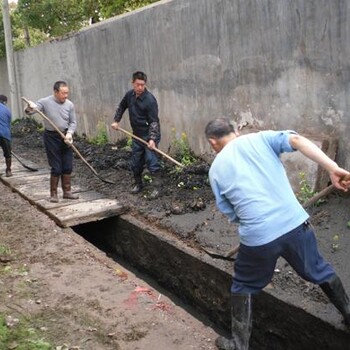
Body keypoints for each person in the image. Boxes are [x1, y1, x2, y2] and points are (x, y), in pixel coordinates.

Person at [205, 117, 350, 350]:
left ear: (213, 142)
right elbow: (297, 140)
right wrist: (333, 168)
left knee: (243, 285)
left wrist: (254, 224)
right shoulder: (261, 138)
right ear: (234, 131)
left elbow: (229, 211)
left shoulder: (215, 171)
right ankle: (349, 313)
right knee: (318, 269)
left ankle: (239, 344)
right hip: (295, 225)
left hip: (258, 238)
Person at [25, 81, 79, 203]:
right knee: (56, 167)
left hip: (65, 136)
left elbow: (73, 122)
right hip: (51, 137)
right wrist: (29, 107)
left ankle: (67, 192)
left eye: (67, 93)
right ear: (55, 92)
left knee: (67, 165)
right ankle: (53, 194)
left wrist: (70, 133)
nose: (66, 96)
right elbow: (31, 111)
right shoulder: (45, 102)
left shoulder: (69, 105)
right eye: (63, 93)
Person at [111, 71, 162, 199]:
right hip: (136, 135)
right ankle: (138, 184)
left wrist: (152, 139)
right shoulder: (129, 96)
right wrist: (116, 120)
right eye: (137, 84)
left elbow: (154, 121)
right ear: (133, 83)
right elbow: (122, 106)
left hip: (149, 135)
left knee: (151, 160)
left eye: (142, 85)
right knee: (136, 161)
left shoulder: (150, 100)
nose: (140, 87)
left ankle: (157, 188)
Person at [0, 95, 12, 177]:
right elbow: (8, 123)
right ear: (5, 101)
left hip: (3, 132)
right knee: (8, 154)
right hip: (5, 134)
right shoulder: (7, 110)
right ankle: (8, 170)